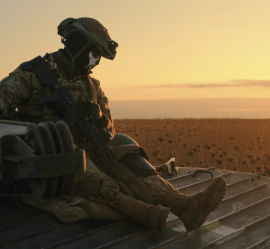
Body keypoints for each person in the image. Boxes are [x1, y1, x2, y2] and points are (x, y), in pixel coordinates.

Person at [0, 17, 226, 232]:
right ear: (78, 45)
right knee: (74, 160)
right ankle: (138, 210)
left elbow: (109, 130)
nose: (95, 61)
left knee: (126, 149)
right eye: (94, 53)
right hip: (47, 154)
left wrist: (98, 116)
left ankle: (184, 206)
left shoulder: (92, 86)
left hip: (90, 147)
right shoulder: (32, 74)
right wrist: (39, 130)